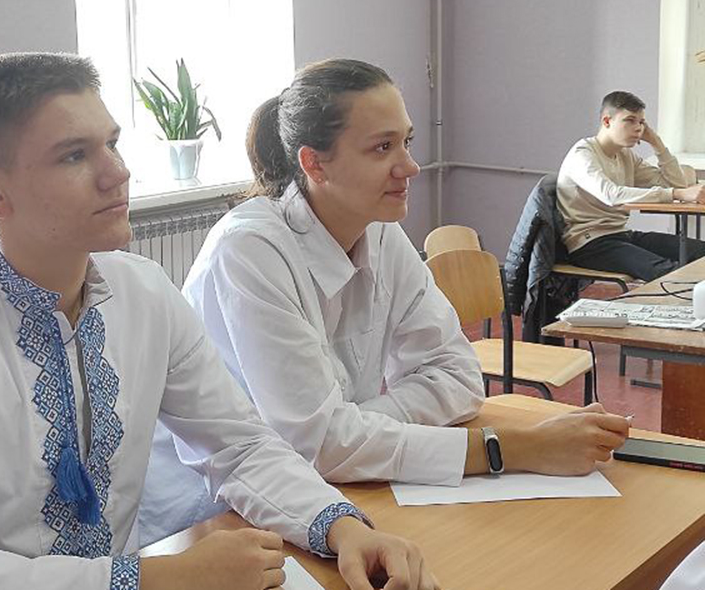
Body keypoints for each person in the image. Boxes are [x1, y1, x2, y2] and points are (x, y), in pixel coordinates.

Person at [0, 52, 440, 590]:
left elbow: (240, 447)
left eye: (112, 143)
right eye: (74, 155)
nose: (117, 173)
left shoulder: (143, 292)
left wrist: (342, 528)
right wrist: (158, 578)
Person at [163, 58, 629, 493]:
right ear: (314, 163)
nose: (410, 166)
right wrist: (511, 447)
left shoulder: (380, 231)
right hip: (211, 513)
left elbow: (459, 378)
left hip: (328, 489)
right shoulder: (249, 250)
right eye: (383, 147)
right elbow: (317, 448)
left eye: (407, 141)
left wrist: (357, 428)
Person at [557, 90, 705, 281]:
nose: (638, 129)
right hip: (589, 244)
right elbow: (612, 195)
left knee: (700, 252)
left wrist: (656, 142)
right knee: (669, 271)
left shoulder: (626, 155)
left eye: (641, 122)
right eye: (630, 120)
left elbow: (677, 183)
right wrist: (677, 194)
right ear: (607, 121)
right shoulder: (583, 154)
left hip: (621, 234)